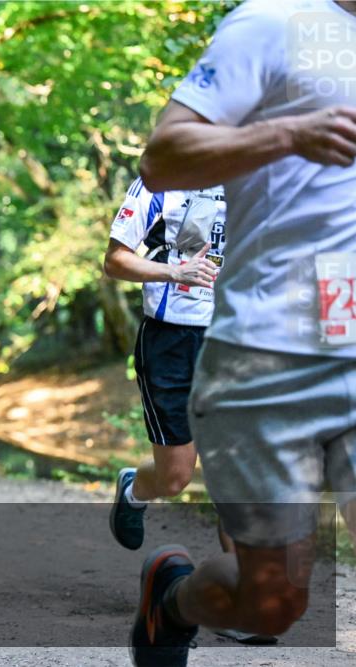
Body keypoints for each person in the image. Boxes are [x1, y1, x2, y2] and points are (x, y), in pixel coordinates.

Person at [129, 1, 356, 665]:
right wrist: (288, 134)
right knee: (272, 604)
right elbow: (161, 158)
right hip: (268, 354)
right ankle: (172, 598)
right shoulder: (273, 21)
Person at [105, 181, 227, 552]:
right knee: (175, 478)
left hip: (232, 339)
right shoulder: (159, 181)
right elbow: (115, 260)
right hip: (170, 339)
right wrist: (174, 272)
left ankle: (245, 582)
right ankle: (134, 490)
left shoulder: (251, 176)